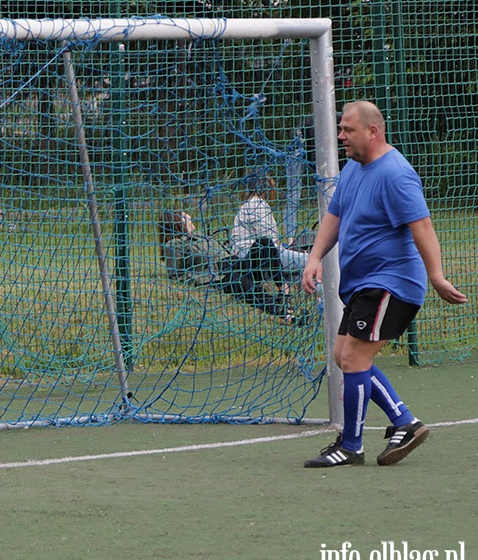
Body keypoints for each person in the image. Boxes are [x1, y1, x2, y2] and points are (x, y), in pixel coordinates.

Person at [302, 101, 467, 468]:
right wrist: (314, 258)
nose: (341, 136)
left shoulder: (395, 173)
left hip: (391, 282)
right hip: (365, 284)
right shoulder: (353, 169)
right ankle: (404, 422)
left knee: (354, 357)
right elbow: (335, 215)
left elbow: (422, 226)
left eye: (347, 130)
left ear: (372, 131)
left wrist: (436, 276)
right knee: (343, 356)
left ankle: (350, 446)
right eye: (341, 129)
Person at [161, 211, 303, 324]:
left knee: (264, 242)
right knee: (243, 284)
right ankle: (284, 314)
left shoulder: (200, 235)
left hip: (235, 262)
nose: (190, 218)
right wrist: (201, 279)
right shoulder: (175, 244)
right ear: (177, 223)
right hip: (220, 272)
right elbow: (176, 275)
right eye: (186, 217)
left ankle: (284, 293)